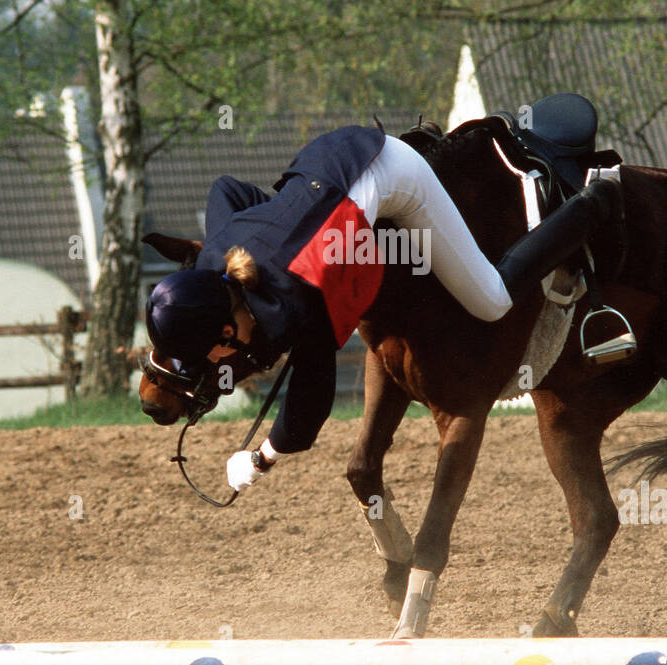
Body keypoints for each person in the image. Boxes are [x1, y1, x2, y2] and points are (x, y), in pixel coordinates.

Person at [146, 120, 622, 492]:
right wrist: (281, 223)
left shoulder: (299, 301)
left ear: (226, 333)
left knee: (493, 299)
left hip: (392, 172)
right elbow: (227, 190)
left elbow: (309, 411)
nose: (205, 363)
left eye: (203, 352)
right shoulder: (216, 261)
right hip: (327, 157)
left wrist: (259, 458)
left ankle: (590, 204)